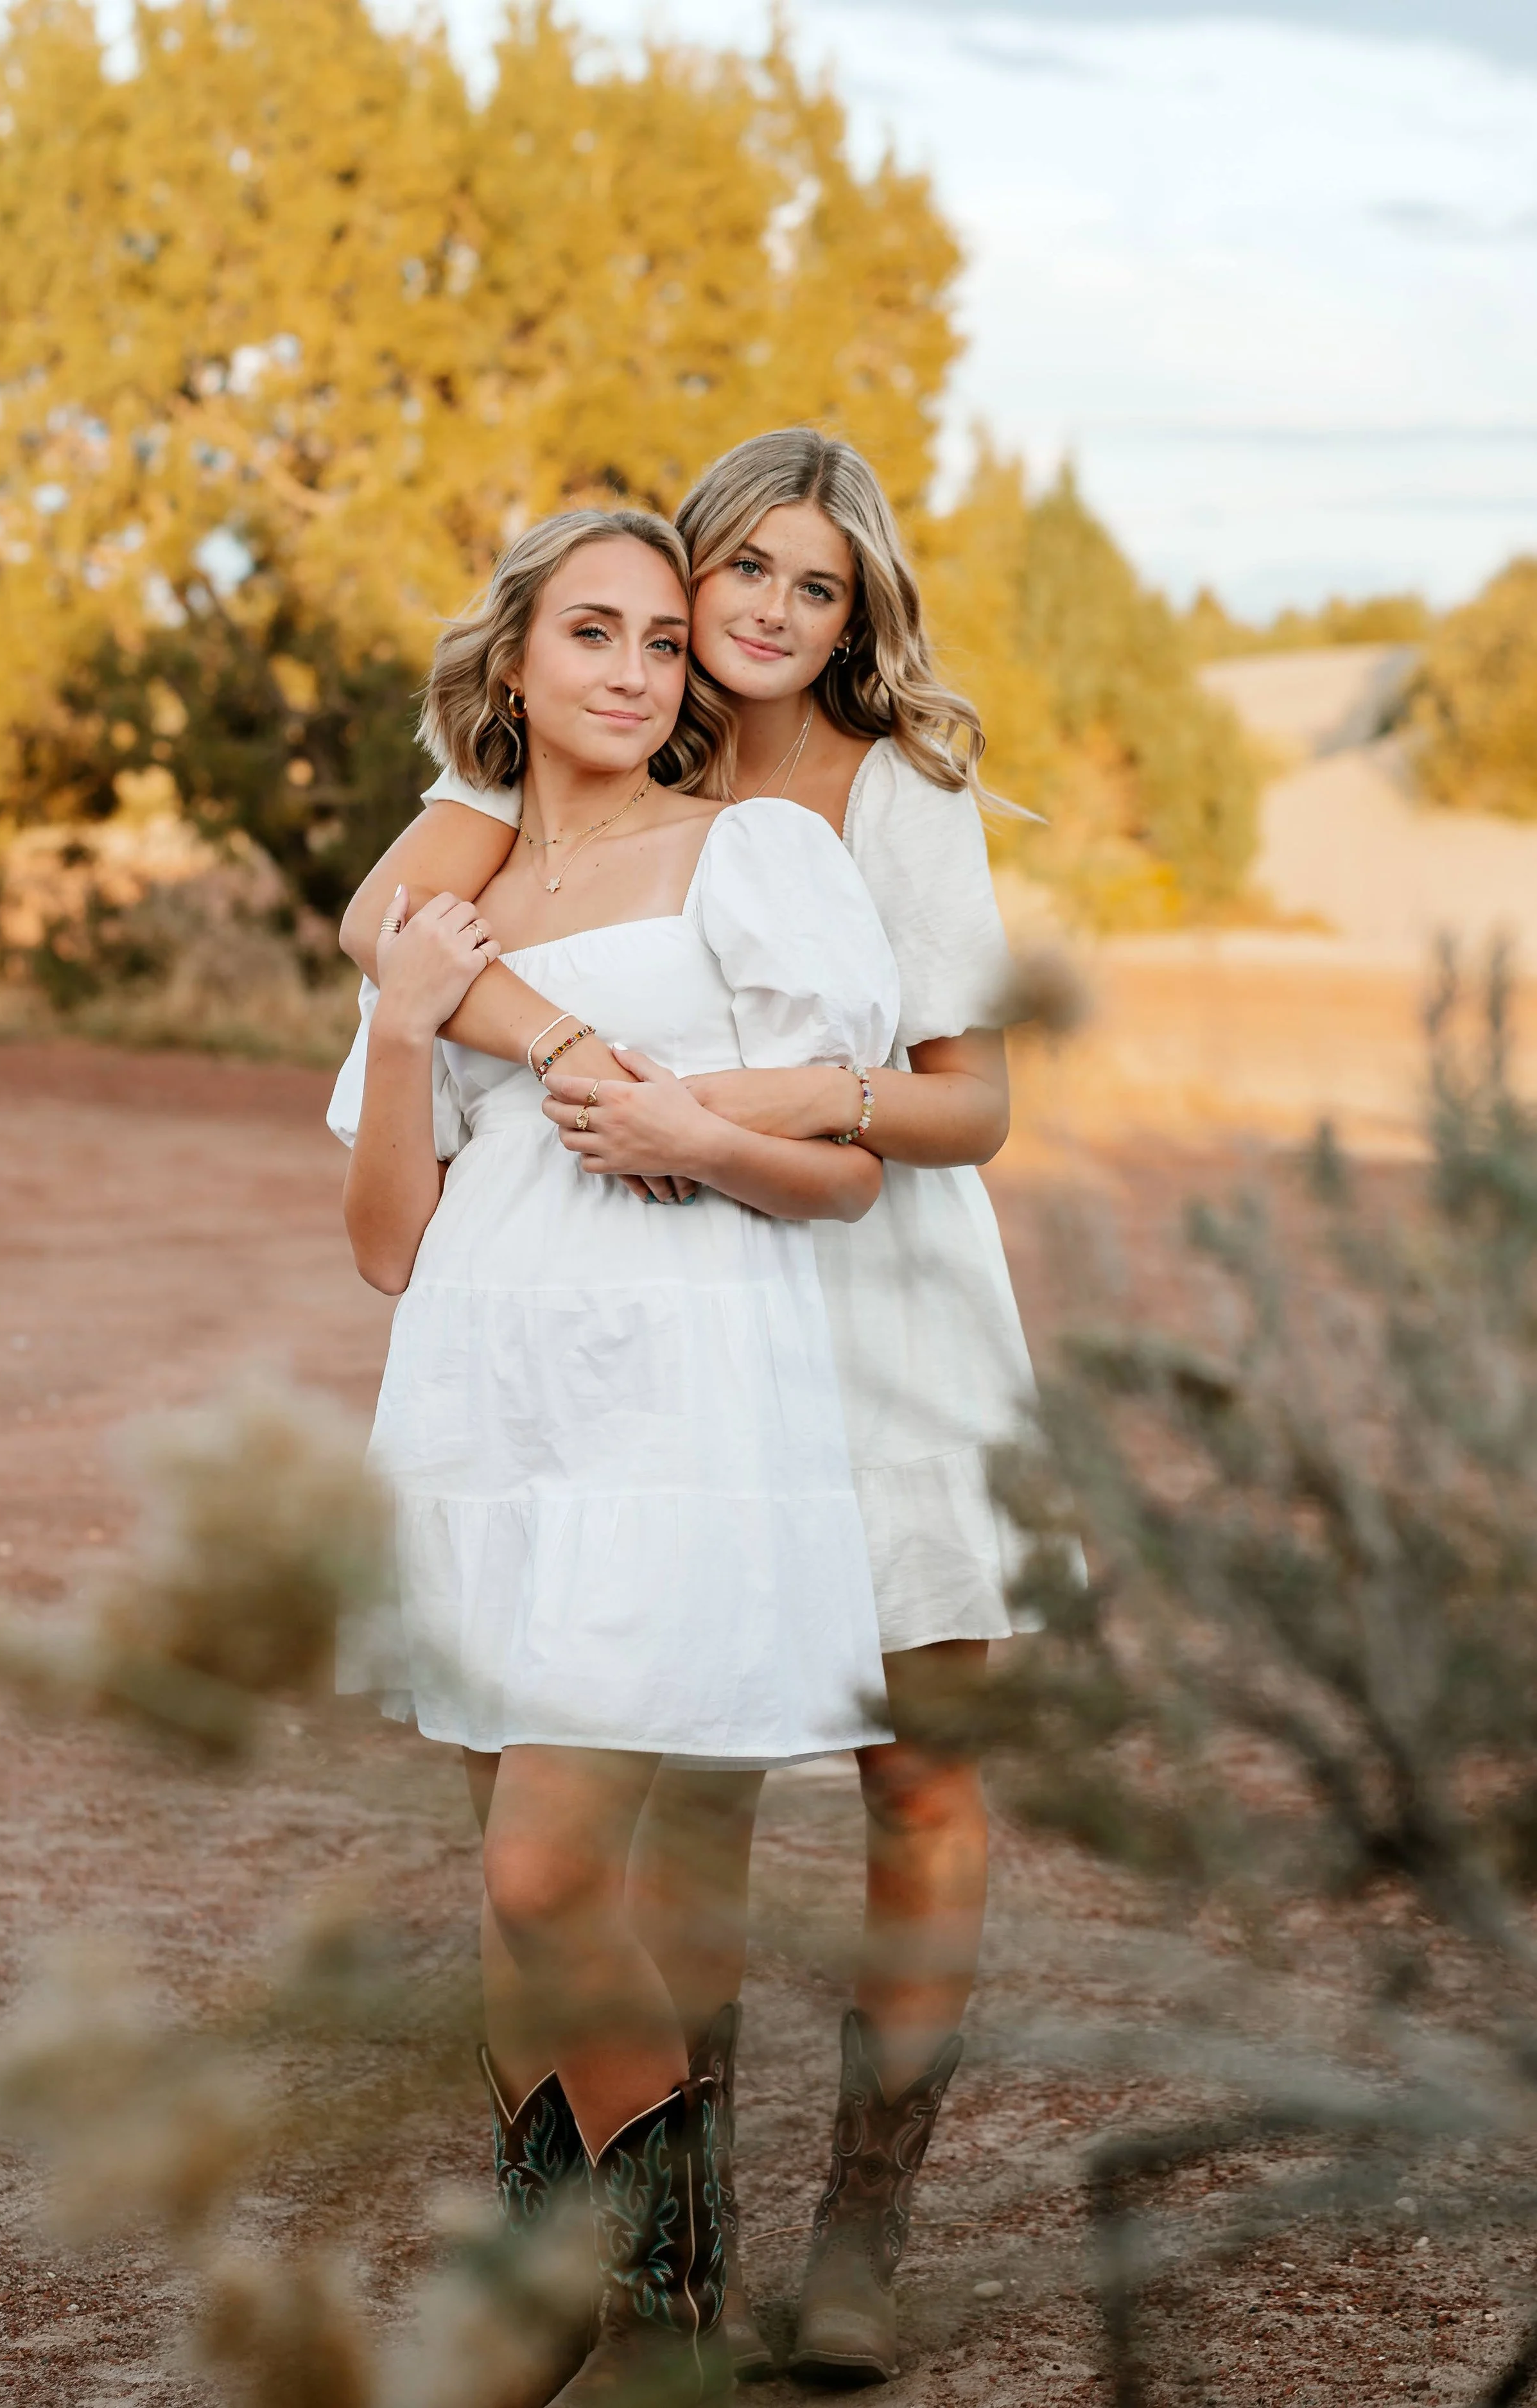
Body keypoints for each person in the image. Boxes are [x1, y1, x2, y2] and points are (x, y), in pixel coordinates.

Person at [339, 430, 1041, 2386]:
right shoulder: (555, 774)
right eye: (735, 569)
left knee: (913, 1765)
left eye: (811, 589)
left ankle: (857, 2239)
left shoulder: (883, 792)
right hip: (647, 1303)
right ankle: (647, 2254)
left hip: (877, 1301)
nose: (750, 618)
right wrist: (545, 1043)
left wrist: (742, 1106)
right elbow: (387, 944)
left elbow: (965, 1106)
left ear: (853, 613)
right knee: (677, 1781)